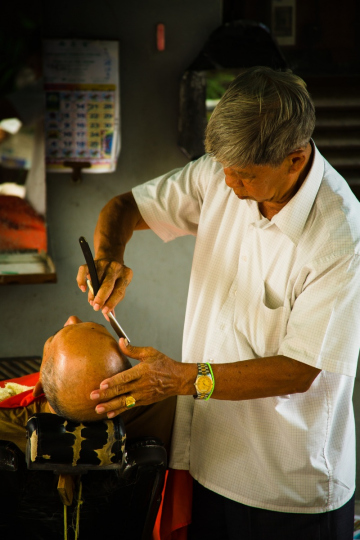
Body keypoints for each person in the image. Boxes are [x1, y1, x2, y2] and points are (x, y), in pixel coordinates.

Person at [77, 67, 360, 540]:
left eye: (245, 175)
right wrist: (109, 256)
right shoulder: (221, 171)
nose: (228, 184)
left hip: (288, 488)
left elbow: (300, 369)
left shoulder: (340, 238)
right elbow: (123, 208)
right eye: (223, 167)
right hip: (210, 461)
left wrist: (181, 379)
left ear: (295, 160)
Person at [0, 315, 176, 455]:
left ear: (43, 386)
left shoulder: (9, 419)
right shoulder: (167, 399)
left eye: (54, 338)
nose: (73, 318)